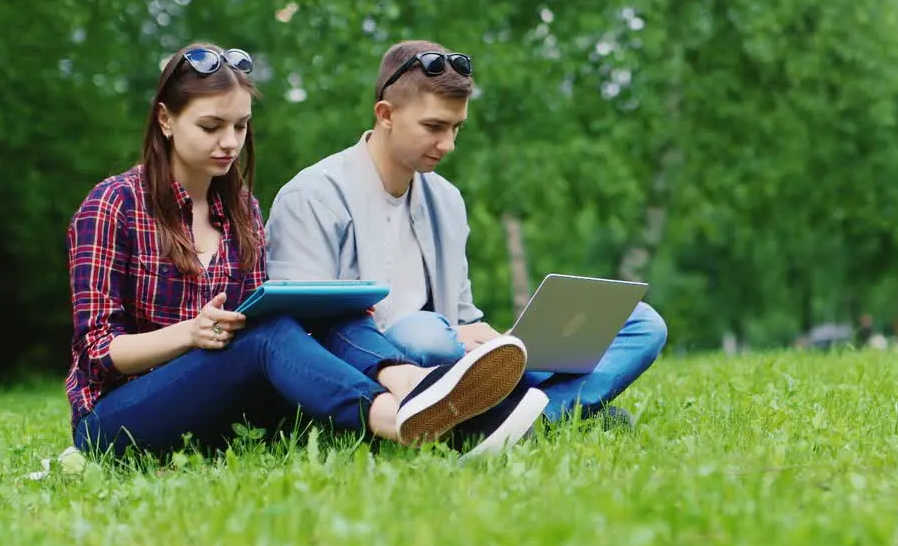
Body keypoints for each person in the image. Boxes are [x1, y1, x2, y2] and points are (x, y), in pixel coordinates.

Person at [64, 42, 536, 459]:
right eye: (211, 126)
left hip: (220, 405)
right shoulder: (113, 204)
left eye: (241, 126)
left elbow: (263, 321)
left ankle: (420, 389)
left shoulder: (242, 210)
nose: (230, 142)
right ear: (165, 119)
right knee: (268, 337)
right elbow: (99, 353)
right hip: (118, 418)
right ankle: (401, 417)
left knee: (327, 310)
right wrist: (192, 333)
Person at [264, 39, 669, 429]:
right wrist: (452, 335)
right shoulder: (312, 196)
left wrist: (495, 340)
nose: (449, 144)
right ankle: (542, 411)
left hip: (458, 362)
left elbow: (462, 315)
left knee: (642, 324)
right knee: (422, 334)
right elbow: (305, 331)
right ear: (386, 114)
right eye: (435, 127)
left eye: (457, 128)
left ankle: (539, 418)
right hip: (387, 370)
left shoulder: (446, 199)